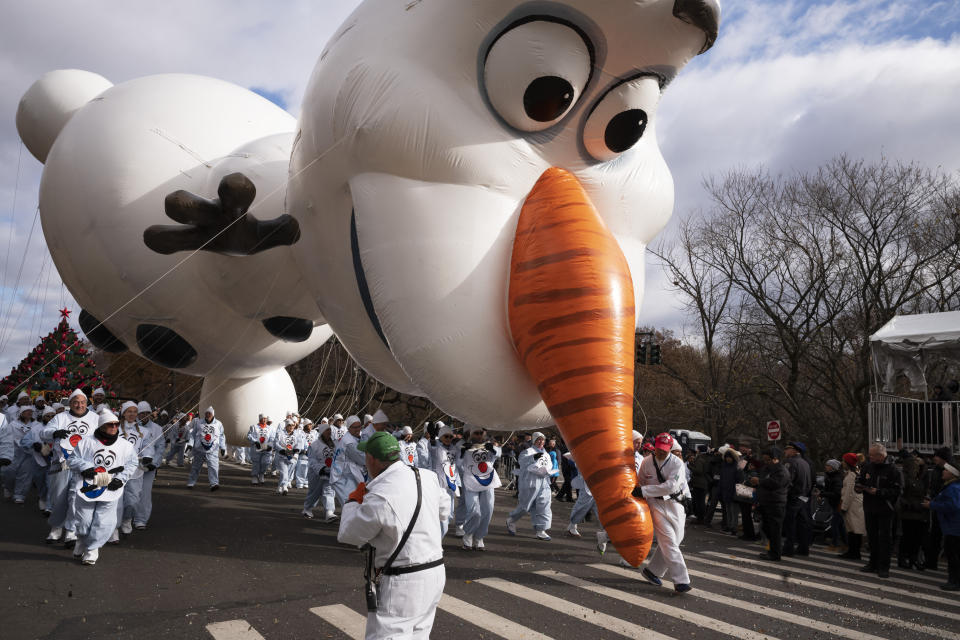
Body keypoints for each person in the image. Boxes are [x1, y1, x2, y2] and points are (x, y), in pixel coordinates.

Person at [337, 431, 447, 639]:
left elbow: (349, 534)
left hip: (404, 580)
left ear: (371, 459)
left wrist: (353, 501)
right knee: (419, 634)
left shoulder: (380, 493)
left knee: (388, 635)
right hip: (435, 570)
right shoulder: (426, 476)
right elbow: (444, 510)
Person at [68, 410, 138, 566]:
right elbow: (72, 459)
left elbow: (132, 463)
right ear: (101, 426)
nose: (114, 427)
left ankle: (92, 549)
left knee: (104, 522)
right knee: (84, 521)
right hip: (86, 487)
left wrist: (121, 479)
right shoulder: (86, 442)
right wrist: (85, 467)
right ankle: (81, 540)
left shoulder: (125, 445)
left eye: (116, 424)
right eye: (110, 424)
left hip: (110, 490)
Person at [41, 389, 100, 546]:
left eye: (82, 402)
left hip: (84, 466)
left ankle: (71, 531)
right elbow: (44, 432)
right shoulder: (60, 417)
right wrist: (54, 433)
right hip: (62, 463)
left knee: (77, 498)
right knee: (58, 497)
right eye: (75, 402)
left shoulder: (95, 418)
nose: (79, 405)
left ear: (87, 403)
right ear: (70, 403)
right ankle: (56, 528)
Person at [636, 433, 691, 591]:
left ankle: (652, 571)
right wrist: (642, 493)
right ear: (655, 447)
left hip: (675, 504)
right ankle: (681, 580)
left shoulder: (677, 464)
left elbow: (672, 486)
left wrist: (645, 490)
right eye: (659, 449)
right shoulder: (646, 462)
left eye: (666, 449)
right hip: (656, 505)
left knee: (675, 541)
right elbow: (640, 481)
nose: (662, 452)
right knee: (668, 541)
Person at [856, 443, 902, 578]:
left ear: (881, 455)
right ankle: (872, 563)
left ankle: (884, 566)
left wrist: (879, 492)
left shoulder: (894, 470)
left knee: (885, 538)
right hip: (869, 507)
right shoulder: (868, 466)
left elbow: (898, 491)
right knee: (872, 537)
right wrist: (858, 487)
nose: (870, 457)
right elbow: (861, 479)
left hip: (885, 508)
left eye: (872, 455)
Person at [506, 431, 553, 540]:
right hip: (530, 483)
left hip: (544, 482)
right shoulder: (528, 452)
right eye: (538, 439)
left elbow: (549, 465)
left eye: (543, 439)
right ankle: (511, 520)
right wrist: (533, 458)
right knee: (525, 506)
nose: (541, 441)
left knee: (544, 505)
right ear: (534, 440)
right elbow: (522, 462)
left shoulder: (546, 453)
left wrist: (549, 471)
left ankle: (541, 530)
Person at [457, 433, 501, 550]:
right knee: (474, 510)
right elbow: (458, 465)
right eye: (476, 433)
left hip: (488, 481)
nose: (479, 436)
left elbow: (498, 454)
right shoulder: (464, 447)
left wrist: (493, 449)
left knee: (488, 510)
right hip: (471, 482)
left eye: (481, 433)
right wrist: (461, 454)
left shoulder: (488, 446)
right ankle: (468, 534)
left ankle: (479, 537)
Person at [926, 461, 960, 590]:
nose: (943, 472)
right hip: (952, 526)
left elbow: (953, 506)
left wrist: (932, 505)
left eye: (946, 470)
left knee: (953, 555)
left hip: (954, 527)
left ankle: (954, 581)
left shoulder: (953, 488)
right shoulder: (951, 486)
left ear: (952, 474)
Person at [753, 446, 790, 561]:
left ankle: (775, 553)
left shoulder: (781, 470)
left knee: (775, 530)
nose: (766, 462)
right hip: (765, 502)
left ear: (775, 459)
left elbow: (776, 484)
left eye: (768, 460)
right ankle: (772, 549)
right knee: (766, 528)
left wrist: (760, 481)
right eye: (764, 460)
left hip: (776, 503)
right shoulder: (766, 469)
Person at [132, 401, 162, 530]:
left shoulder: (157, 428)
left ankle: (141, 519)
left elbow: (160, 448)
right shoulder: (131, 427)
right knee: (131, 493)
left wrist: (154, 464)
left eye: (146, 413)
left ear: (150, 414)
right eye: (141, 413)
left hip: (148, 467)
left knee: (145, 493)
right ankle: (127, 518)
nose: (144, 415)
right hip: (132, 466)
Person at [429, 423, 461, 536]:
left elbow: (458, 465)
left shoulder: (455, 449)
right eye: (445, 436)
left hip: (450, 485)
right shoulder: (436, 447)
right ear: (441, 436)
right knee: (441, 513)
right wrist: (431, 439)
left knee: (449, 513)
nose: (448, 439)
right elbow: (431, 451)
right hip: (440, 485)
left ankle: (437, 538)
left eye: (450, 437)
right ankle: (437, 540)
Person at [303, 422, 338, 521]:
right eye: (327, 430)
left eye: (330, 430)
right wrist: (321, 469)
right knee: (314, 492)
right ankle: (307, 508)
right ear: (322, 432)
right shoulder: (314, 445)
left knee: (329, 491)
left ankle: (329, 512)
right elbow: (312, 460)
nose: (329, 432)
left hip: (330, 472)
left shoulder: (334, 444)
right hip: (316, 473)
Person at [898, 452, 927, 569]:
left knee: (916, 538)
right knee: (907, 537)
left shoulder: (918, 479)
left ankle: (913, 559)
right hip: (908, 512)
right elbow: (901, 495)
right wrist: (911, 505)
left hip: (919, 512)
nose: (917, 467)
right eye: (915, 465)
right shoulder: (904, 477)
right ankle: (903, 558)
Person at [782, 442, 812, 557]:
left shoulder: (790, 462)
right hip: (803, 497)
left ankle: (788, 548)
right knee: (802, 524)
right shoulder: (805, 463)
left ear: (794, 450)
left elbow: (788, 481)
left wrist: (785, 494)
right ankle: (803, 548)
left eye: (787, 449)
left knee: (790, 524)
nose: (785, 451)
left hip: (793, 497)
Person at [186, 407, 226, 491]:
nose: (208, 415)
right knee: (196, 467)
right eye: (206, 413)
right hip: (199, 450)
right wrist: (190, 444)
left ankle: (214, 483)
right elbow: (193, 434)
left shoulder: (218, 424)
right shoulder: (199, 422)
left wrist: (223, 447)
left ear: (213, 415)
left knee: (213, 467)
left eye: (209, 414)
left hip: (213, 450)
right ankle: (191, 482)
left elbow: (222, 436)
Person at [330, 415, 366, 507]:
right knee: (351, 504)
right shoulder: (349, 442)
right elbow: (361, 458)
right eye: (354, 427)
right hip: (342, 476)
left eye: (359, 426)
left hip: (348, 474)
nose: (358, 429)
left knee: (355, 503)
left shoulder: (354, 437)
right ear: (349, 428)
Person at [838, 452, 865, 560]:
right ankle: (854, 552)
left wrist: (843, 507)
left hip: (852, 505)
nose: (842, 462)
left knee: (853, 530)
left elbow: (849, 493)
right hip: (856, 504)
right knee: (855, 529)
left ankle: (853, 552)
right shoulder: (856, 473)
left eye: (844, 461)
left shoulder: (851, 476)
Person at [273, 418, 304, 495]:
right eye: (289, 425)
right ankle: (285, 487)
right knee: (284, 472)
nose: (291, 427)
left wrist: (296, 451)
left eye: (292, 425)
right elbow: (276, 443)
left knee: (288, 473)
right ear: (286, 426)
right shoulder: (280, 433)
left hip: (292, 457)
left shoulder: (297, 434)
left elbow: (299, 444)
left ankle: (280, 487)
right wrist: (282, 450)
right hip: (282, 456)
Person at [821, 459, 846, 551]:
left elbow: (837, 493)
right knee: (840, 525)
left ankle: (835, 544)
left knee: (835, 524)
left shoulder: (837, 478)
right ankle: (845, 543)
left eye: (828, 465)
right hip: (835, 503)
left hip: (838, 503)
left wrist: (823, 494)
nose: (826, 467)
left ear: (833, 467)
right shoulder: (831, 476)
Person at [718, 447, 743, 535]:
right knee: (728, 510)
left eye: (730, 457)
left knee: (734, 511)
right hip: (725, 491)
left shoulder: (737, 467)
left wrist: (736, 491)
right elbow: (721, 480)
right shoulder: (724, 466)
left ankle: (734, 528)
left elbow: (739, 480)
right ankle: (729, 526)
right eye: (727, 457)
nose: (728, 459)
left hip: (734, 491)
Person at [247, 414, 276, 485]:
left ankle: (261, 474)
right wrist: (255, 442)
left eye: (265, 419)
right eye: (263, 419)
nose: (264, 420)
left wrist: (270, 445)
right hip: (257, 447)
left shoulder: (271, 428)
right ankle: (254, 476)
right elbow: (249, 436)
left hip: (266, 448)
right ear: (260, 419)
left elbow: (273, 438)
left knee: (266, 462)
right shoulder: (254, 427)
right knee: (256, 463)